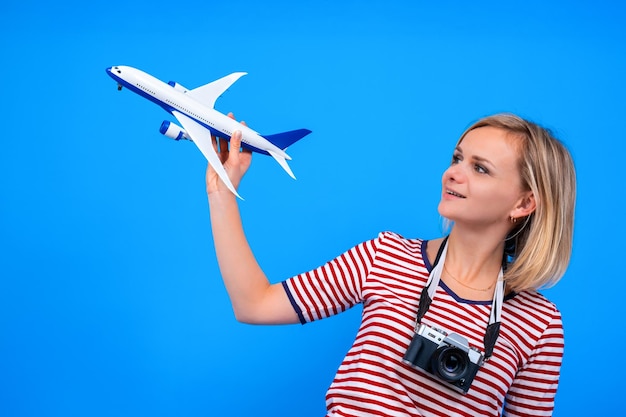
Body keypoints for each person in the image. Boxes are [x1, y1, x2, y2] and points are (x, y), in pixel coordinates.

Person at [206, 113, 576, 417]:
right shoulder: (386, 255)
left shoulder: (539, 324)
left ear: (523, 203)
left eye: (481, 169)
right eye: (457, 158)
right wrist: (222, 191)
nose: (453, 173)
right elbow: (253, 304)